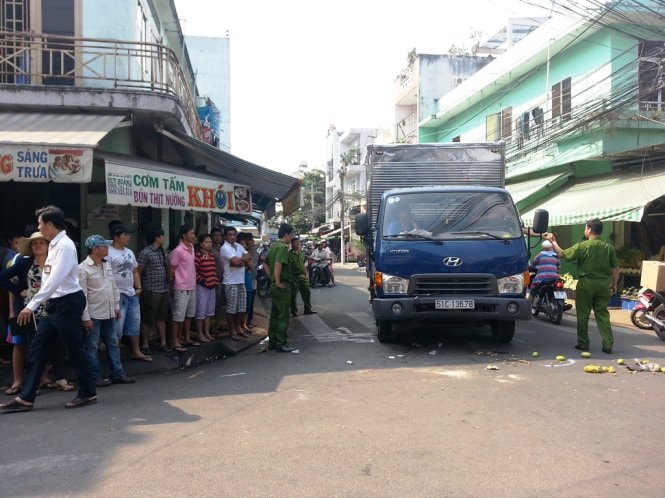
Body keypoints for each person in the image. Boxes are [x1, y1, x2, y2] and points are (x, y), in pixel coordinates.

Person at [1, 205, 97, 412]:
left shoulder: (65, 246)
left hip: (67, 303)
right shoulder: (54, 244)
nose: (39, 227)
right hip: (53, 304)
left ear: (50, 225)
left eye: (40, 224)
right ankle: (26, 398)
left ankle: (88, 393)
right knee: (37, 349)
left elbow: (54, 280)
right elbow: (48, 278)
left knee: (74, 350)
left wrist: (32, 305)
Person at [0, 231, 67, 395]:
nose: (38, 246)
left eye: (41, 243)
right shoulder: (23, 263)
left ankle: (53, 378)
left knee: (55, 344)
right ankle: (31, 383)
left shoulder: (56, 262)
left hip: (53, 308)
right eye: (34, 244)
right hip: (29, 311)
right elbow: (3, 277)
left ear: (47, 246)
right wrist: (19, 290)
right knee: (32, 347)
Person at [544, 218, 619, 353]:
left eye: (585, 228)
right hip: (603, 284)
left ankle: (583, 343)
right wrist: (614, 284)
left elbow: (562, 254)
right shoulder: (609, 248)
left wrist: (553, 241)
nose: (585, 230)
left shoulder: (582, 246)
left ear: (589, 229)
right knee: (602, 314)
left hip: (586, 283)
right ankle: (608, 344)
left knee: (583, 314)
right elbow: (615, 268)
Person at [80, 235, 134, 387]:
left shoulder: (106, 264)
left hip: (109, 312)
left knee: (113, 343)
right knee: (92, 346)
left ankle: (118, 373)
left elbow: (113, 287)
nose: (107, 249)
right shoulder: (83, 268)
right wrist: (86, 317)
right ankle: (95, 376)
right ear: (95, 249)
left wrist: (116, 306)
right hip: (94, 313)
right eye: (104, 246)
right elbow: (82, 295)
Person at [107, 223, 151, 362]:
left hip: (131, 293)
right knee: (117, 327)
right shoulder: (108, 252)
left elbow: (135, 272)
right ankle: (114, 355)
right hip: (117, 295)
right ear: (116, 237)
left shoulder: (129, 252)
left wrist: (138, 288)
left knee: (134, 324)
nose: (128, 237)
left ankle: (136, 351)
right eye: (125, 234)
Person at [136, 229, 170, 353]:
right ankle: (145, 344)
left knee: (161, 318)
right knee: (147, 318)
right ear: (157, 238)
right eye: (162, 236)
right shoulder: (146, 252)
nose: (164, 238)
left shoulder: (162, 251)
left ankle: (163, 342)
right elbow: (138, 271)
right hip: (150, 289)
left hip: (162, 289)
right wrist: (140, 288)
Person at [265, 224, 296, 353]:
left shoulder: (273, 247)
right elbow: (278, 264)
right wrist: (277, 281)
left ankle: (272, 341)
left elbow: (265, 263)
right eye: (291, 235)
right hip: (282, 285)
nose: (292, 237)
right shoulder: (282, 248)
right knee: (283, 315)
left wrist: (271, 277)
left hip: (274, 285)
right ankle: (281, 343)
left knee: (275, 314)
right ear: (286, 235)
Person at [169, 224, 197, 350]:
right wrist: (172, 283)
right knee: (178, 316)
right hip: (181, 286)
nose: (193, 236)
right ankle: (175, 340)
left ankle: (186, 338)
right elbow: (172, 269)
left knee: (189, 315)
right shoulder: (178, 251)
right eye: (191, 233)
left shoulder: (191, 247)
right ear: (184, 235)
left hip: (191, 285)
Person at [220, 226, 252, 340]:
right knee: (231, 309)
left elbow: (249, 256)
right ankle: (232, 331)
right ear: (225, 236)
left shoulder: (238, 246)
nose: (232, 236)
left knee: (241, 308)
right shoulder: (224, 248)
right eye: (230, 234)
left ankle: (239, 328)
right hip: (230, 282)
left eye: (234, 234)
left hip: (240, 281)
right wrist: (241, 261)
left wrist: (239, 261)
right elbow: (235, 262)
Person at [194, 233, 219, 343]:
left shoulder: (212, 255)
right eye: (206, 242)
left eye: (210, 242)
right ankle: (200, 334)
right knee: (201, 311)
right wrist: (203, 281)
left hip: (212, 287)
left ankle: (207, 332)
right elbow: (194, 272)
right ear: (201, 244)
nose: (209, 244)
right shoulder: (198, 255)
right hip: (202, 287)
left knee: (209, 311)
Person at [289, 237, 316, 316]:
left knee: (307, 292)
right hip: (294, 277)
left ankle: (307, 309)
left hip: (302, 276)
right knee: (293, 295)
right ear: (292, 244)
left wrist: (306, 274)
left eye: (298, 242)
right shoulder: (289, 254)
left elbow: (304, 264)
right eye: (296, 242)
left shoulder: (301, 253)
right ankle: (294, 310)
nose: (298, 244)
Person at [237, 232, 257, 330]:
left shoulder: (252, 252)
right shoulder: (237, 253)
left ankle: (245, 324)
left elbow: (252, 266)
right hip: (240, 281)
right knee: (240, 306)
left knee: (248, 304)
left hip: (250, 281)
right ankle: (240, 325)